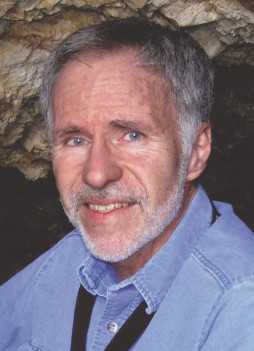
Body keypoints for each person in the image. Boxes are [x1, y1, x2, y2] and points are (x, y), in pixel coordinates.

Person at [1, 18, 254, 351]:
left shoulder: (238, 309)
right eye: (75, 140)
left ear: (195, 150)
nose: (96, 174)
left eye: (132, 135)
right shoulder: (70, 257)